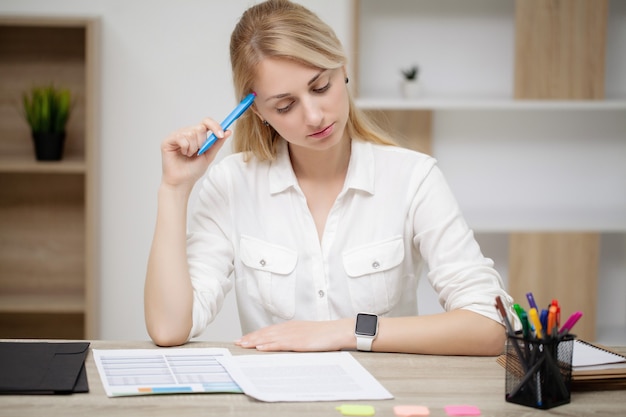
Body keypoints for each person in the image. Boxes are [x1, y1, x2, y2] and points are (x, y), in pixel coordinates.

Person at [145, 0, 515, 355]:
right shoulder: (231, 184)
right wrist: (175, 189)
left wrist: (344, 331)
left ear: (342, 67)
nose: (314, 116)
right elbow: (169, 328)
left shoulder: (413, 178)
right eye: (285, 105)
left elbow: (488, 325)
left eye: (321, 86)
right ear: (257, 111)